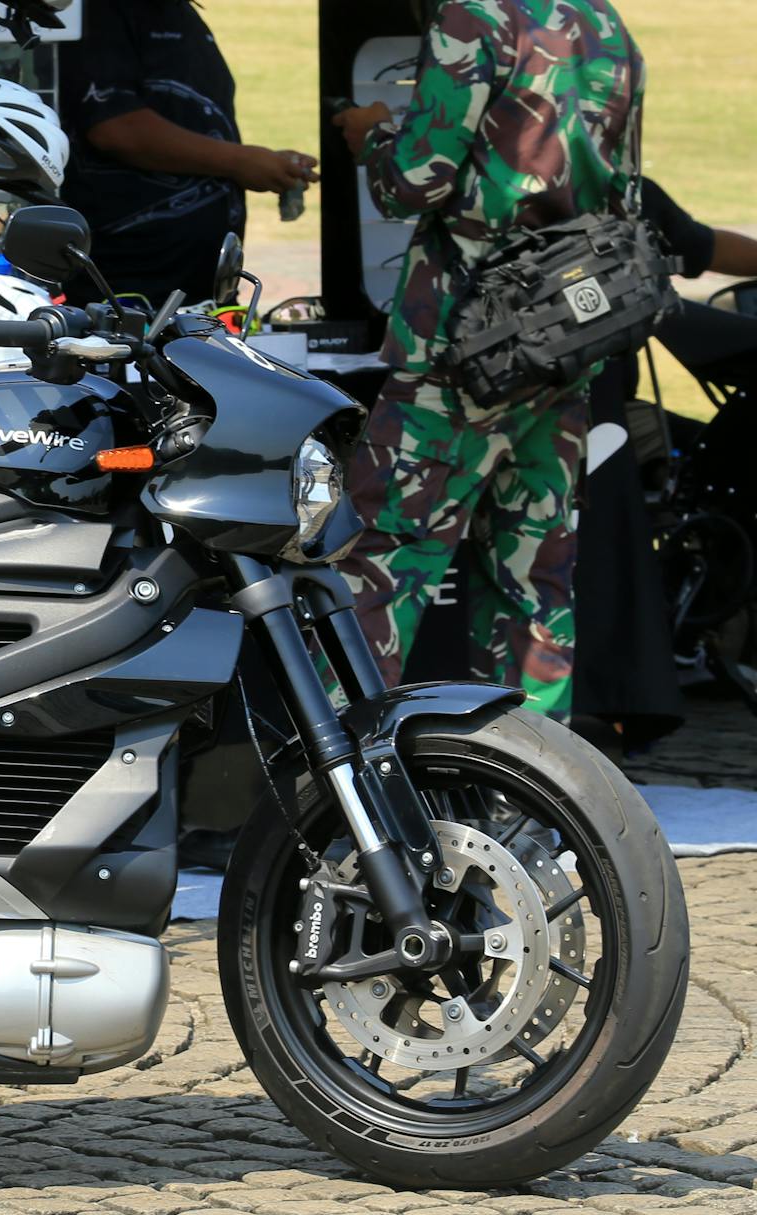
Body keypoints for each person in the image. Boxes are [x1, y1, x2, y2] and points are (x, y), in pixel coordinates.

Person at [330, 0, 643, 721]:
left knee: (380, 563)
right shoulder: (603, 22)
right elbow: (622, 190)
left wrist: (371, 132)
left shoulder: (471, 16)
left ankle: (342, 795)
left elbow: (415, 179)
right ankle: (536, 802)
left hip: (459, 345)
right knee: (536, 583)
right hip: (563, 341)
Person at [573, 178, 757, 744]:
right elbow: (698, 248)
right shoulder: (608, 182)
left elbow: (696, 246)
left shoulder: (618, 187)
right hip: (594, 422)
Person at [56, 0, 317, 307]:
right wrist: (239, 160)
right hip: (131, 284)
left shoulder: (178, 12)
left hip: (195, 287)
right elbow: (116, 128)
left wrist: (260, 161)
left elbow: (190, 124)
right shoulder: (99, 11)